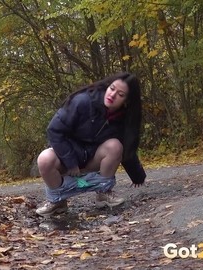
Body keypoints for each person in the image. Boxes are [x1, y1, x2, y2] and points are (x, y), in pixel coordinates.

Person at [35, 72, 146, 217]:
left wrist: (137, 175)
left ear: (127, 101)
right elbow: (54, 130)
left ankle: (103, 193)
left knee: (115, 146)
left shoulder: (123, 117)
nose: (112, 95)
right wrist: (71, 162)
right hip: (68, 158)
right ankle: (58, 202)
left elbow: (127, 147)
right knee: (44, 159)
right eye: (112, 88)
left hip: (94, 159)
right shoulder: (82, 101)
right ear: (107, 86)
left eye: (120, 94)